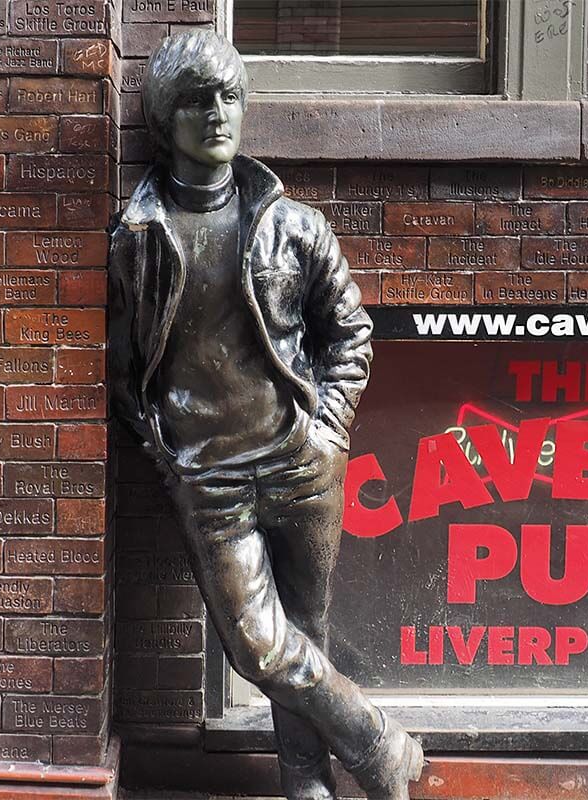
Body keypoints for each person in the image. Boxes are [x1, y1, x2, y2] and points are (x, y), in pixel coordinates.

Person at [107, 29, 423, 800]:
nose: (217, 114)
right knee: (258, 645)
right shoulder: (139, 239)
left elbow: (349, 331)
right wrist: (166, 456)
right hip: (208, 478)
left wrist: (329, 429)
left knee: (302, 636)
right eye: (195, 101)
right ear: (163, 119)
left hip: (299, 460)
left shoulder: (295, 226)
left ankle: (304, 783)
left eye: (229, 97)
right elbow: (123, 371)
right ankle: (379, 745)